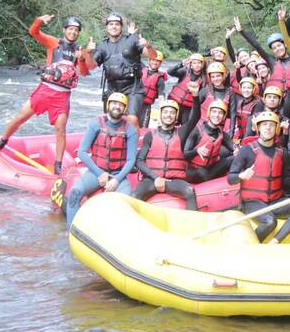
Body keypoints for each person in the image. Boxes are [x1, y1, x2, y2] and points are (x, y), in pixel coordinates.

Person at [0, 14, 93, 175]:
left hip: (62, 96)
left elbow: (85, 73)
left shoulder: (80, 51)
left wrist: (82, 59)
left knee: (60, 129)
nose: (73, 32)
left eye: (76, 30)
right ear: (65, 30)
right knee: (21, 117)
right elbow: (33, 32)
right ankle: (2, 140)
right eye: (71, 29)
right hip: (44, 90)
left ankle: (58, 164)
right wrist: (39, 21)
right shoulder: (54, 42)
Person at [229, 112, 290, 243]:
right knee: (270, 221)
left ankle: (275, 241)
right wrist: (241, 176)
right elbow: (230, 179)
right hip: (252, 203)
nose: (267, 128)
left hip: (274, 202)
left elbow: (284, 183)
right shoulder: (246, 151)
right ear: (258, 128)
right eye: (264, 124)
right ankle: (251, 246)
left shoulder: (282, 153)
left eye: (271, 125)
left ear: (277, 129)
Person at [65, 92, 138, 227]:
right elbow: (82, 152)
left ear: (124, 109)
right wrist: (100, 173)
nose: (117, 107)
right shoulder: (96, 124)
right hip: (95, 172)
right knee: (75, 193)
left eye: (120, 105)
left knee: (125, 204)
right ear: (108, 105)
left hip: (118, 175)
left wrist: (116, 180)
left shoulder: (130, 130)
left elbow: (131, 160)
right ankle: (70, 230)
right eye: (114, 103)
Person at [133, 85, 201, 210]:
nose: (168, 115)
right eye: (165, 112)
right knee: (135, 195)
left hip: (173, 180)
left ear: (176, 117)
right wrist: (156, 177)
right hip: (151, 179)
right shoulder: (150, 136)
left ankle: (192, 222)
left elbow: (194, 117)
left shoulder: (181, 133)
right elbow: (139, 161)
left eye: (172, 113)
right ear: (160, 115)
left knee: (190, 192)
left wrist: (195, 96)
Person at [89, 13, 155, 129]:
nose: (114, 27)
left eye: (117, 24)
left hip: (132, 87)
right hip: (112, 88)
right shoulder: (102, 46)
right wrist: (88, 52)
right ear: (107, 27)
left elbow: (152, 56)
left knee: (132, 119)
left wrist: (148, 46)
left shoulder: (132, 39)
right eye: (111, 24)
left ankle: (133, 145)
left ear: (121, 27)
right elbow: (91, 67)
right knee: (110, 121)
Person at [184, 99, 234, 183]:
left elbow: (235, 149)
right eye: (214, 112)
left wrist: (237, 150)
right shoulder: (197, 130)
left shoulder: (222, 134)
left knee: (234, 157)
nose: (217, 115)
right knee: (202, 172)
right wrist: (196, 151)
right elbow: (184, 155)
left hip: (209, 170)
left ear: (224, 116)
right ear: (209, 113)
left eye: (220, 113)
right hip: (194, 172)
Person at [168, 53, 206, 126]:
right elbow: (170, 72)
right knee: (171, 123)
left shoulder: (204, 79)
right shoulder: (184, 72)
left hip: (188, 107)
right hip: (175, 102)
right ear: (191, 65)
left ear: (202, 65)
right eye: (194, 63)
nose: (197, 65)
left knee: (186, 125)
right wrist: (181, 64)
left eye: (199, 63)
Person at [228, 77, 263, 144]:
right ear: (241, 89)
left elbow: (252, 130)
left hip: (252, 139)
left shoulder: (258, 104)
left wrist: (243, 143)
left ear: (253, 89)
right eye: (244, 88)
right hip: (241, 136)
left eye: (249, 88)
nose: (246, 90)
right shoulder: (239, 102)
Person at [139, 51, 168, 127]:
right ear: (149, 60)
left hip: (146, 106)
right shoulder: (141, 68)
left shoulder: (160, 79)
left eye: (158, 61)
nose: (155, 63)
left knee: (143, 127)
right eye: (153, 60)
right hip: (134, 102)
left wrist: (162, 114)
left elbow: (161, 97)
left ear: (160, 63)